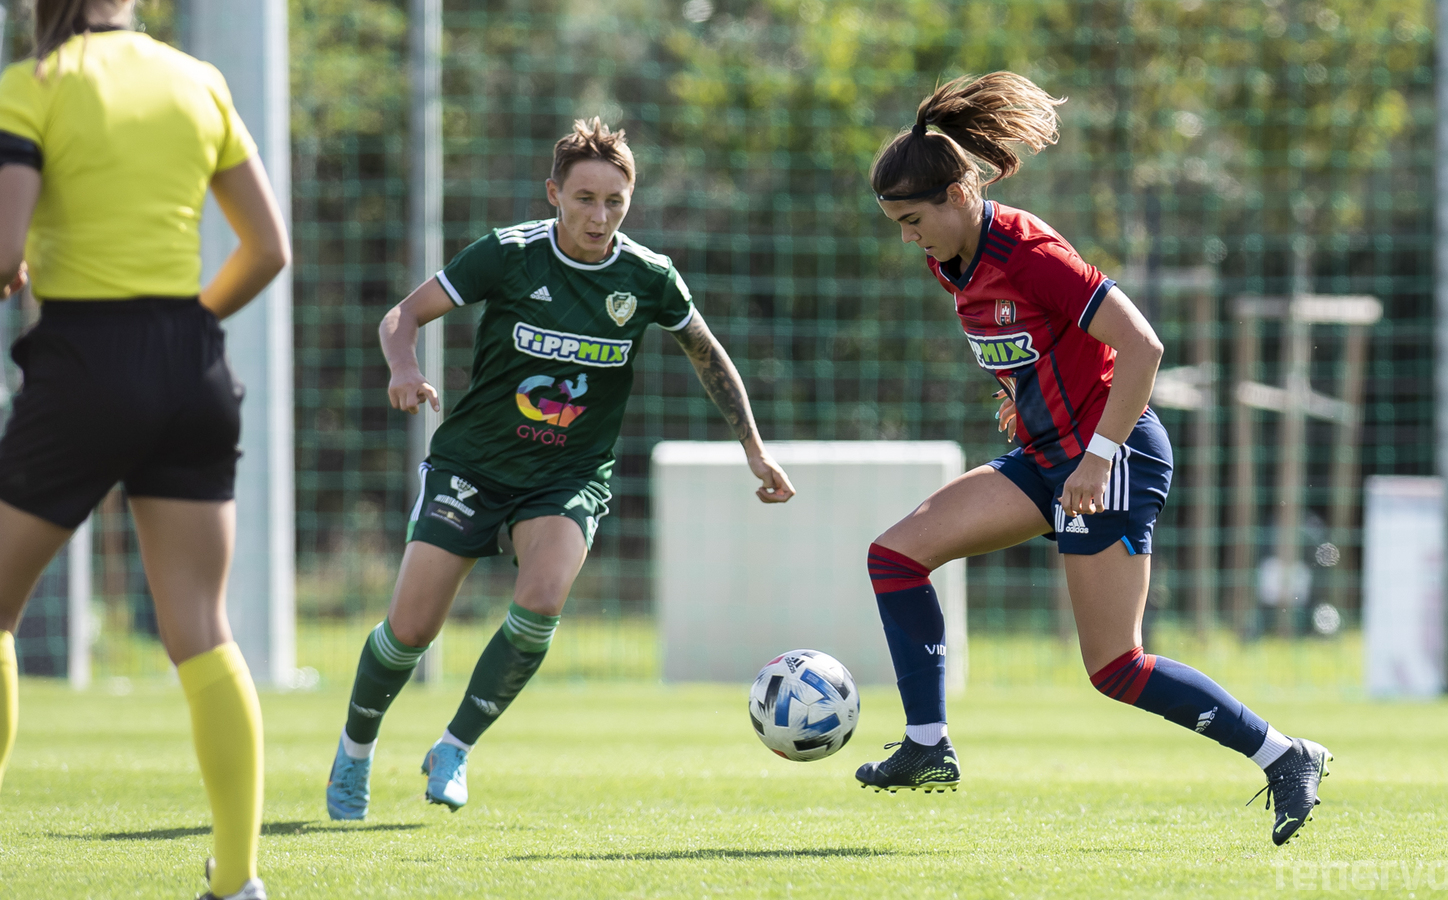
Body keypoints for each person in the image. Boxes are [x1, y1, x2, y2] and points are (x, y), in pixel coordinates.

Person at [854, 72, 1331, 846]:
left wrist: (1098, 457)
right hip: (1048, 456)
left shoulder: (1029, 250)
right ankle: (927, 745)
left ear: (959, 195)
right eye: (897, 225)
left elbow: (1142, 346)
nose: (908, 238)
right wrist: (1021, 394)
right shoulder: (951, 258)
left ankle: (1286, 755)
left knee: (1115, 666)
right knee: (895, 558)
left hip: (1114, 455)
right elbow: (1033, 344)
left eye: (913, 221)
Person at [325, 117, 795, 820]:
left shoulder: (647, 277)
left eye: (615, 201)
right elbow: (403, 316)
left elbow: (707, 353)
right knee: (412, 631)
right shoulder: (508, 254)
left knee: (542, 601)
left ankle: (454, 747)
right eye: (585, 199)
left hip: (568, 475)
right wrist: (403, 367)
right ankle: (354, 753)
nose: (600, 217)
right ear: (554, 194)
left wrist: (754, 449)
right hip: (473, 465)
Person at [0, 1, 290, 897]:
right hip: (192, 367)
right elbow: (268, 248)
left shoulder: (31, 88)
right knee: (201, 629)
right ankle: (237, 880)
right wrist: (185, 327)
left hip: (83, 361)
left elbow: (3, 250)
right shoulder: (198, 81)